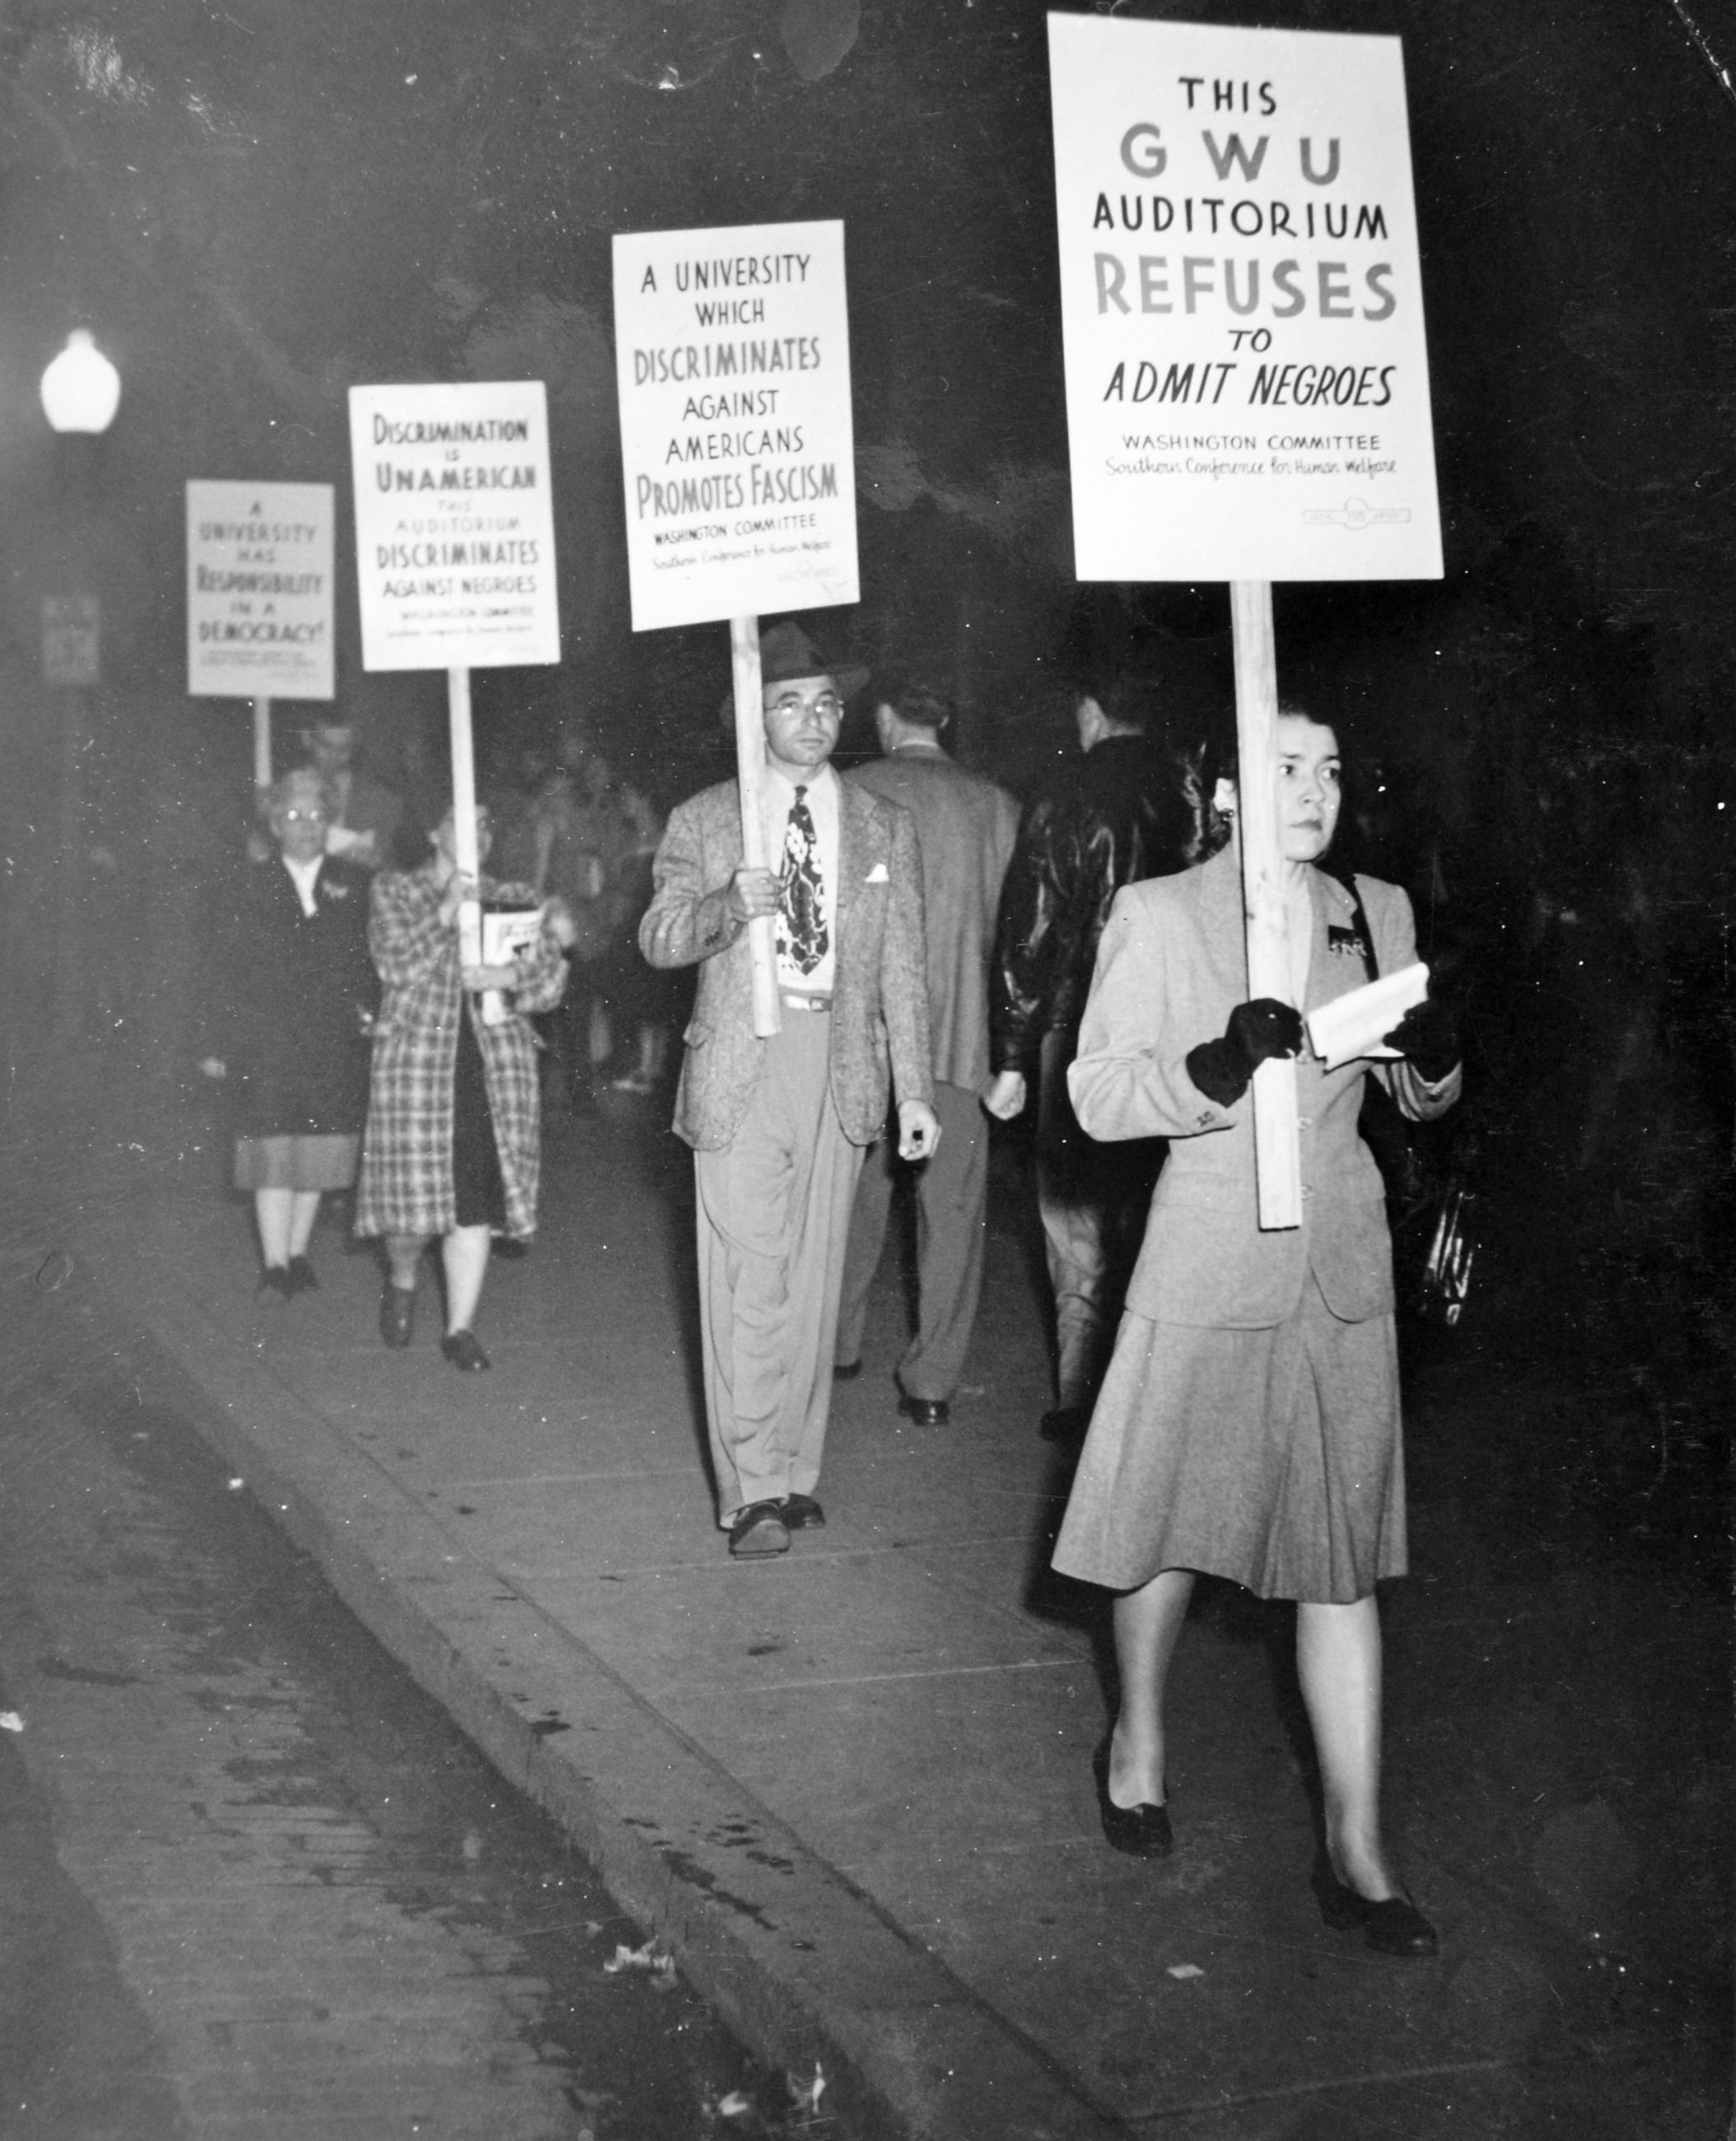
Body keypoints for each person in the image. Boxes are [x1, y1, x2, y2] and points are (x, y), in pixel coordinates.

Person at [1051, 708, 1463, 1957]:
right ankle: (1140, 1738)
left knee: (1341, 1560)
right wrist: (1215, 1068)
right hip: (1206, 1255)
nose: (1317, 789)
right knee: (1165, 1527)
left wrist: (1436, 1066)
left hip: (1336, 1267)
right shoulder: (1161, 913)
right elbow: (1099, 1093)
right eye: (1287, 768)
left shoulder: (1371, 905)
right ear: (1226, 788)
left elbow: (1411, 1086)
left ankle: (1358, 1848)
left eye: (1333, 768)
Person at [639, 620, 940, 1559]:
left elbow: (902, 967)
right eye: (786, 703)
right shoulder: (704, 818)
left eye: (822, 704)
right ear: (749, 717)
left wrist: (915, 1091)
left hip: (839, 1060)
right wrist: (728, 905)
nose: (809, 719)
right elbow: (656, 937)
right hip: (742, 1058)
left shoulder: (882, 824)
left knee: (812, 1279)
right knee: (748, 1275)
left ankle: (794, 1469)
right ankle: (750, 1488)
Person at [985, 674, 1195, 1438]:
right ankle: (1152, 1392)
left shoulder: (1068, 788)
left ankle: (1082, 1396)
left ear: (1091, 711)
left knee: (1072, 1211)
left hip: (1082, 1027)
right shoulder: (1191, 787)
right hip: (1183, 1031)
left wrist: (1011, 1047)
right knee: (1151, 1209)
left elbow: (1033, 922)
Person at [833, 679, 1020, 1423]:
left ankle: (837, 1347)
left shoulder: (849, 791)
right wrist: (1014, 1056)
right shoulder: (996, 805)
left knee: (854, 1203)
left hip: (867, 1041)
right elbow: (1019, 941)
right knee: (952, 1216)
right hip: (965, 1042)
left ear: (883, 720)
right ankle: (934, 1385)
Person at [354, 803, 567, 1369]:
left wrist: (508, 976)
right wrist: (447, 912)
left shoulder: (516, 895)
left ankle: (459, 1328)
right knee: (410, 1216)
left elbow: (550, 981)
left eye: (487, 823)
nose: (480, 833)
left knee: (474, 1203)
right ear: (433, 830)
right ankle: (402, 1277)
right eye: (463, 821)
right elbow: (393, 964)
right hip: (420, 1068)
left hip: (493, 1068)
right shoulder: (396, 890)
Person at [199, 767, 376, 1295]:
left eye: (317, 816)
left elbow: (369, 964)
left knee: (317, 1150)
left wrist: (370, 1014)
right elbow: (219, 967)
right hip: (266, 1038)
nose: (306, 826)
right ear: (276, 824)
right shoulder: (245, 883)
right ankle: (274, 1262)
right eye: (294, 816)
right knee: (273, 1147)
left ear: (330, 823)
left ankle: (299, 1252)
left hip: (331, 1037)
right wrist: (215, 1042)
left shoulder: (358, 883)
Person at [302, 719, 405, 870]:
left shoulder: (382, 801)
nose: (334, 756)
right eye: (325, 746)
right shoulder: (282, 793)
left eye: (343, 749)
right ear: (307, 739)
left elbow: (390, 864)